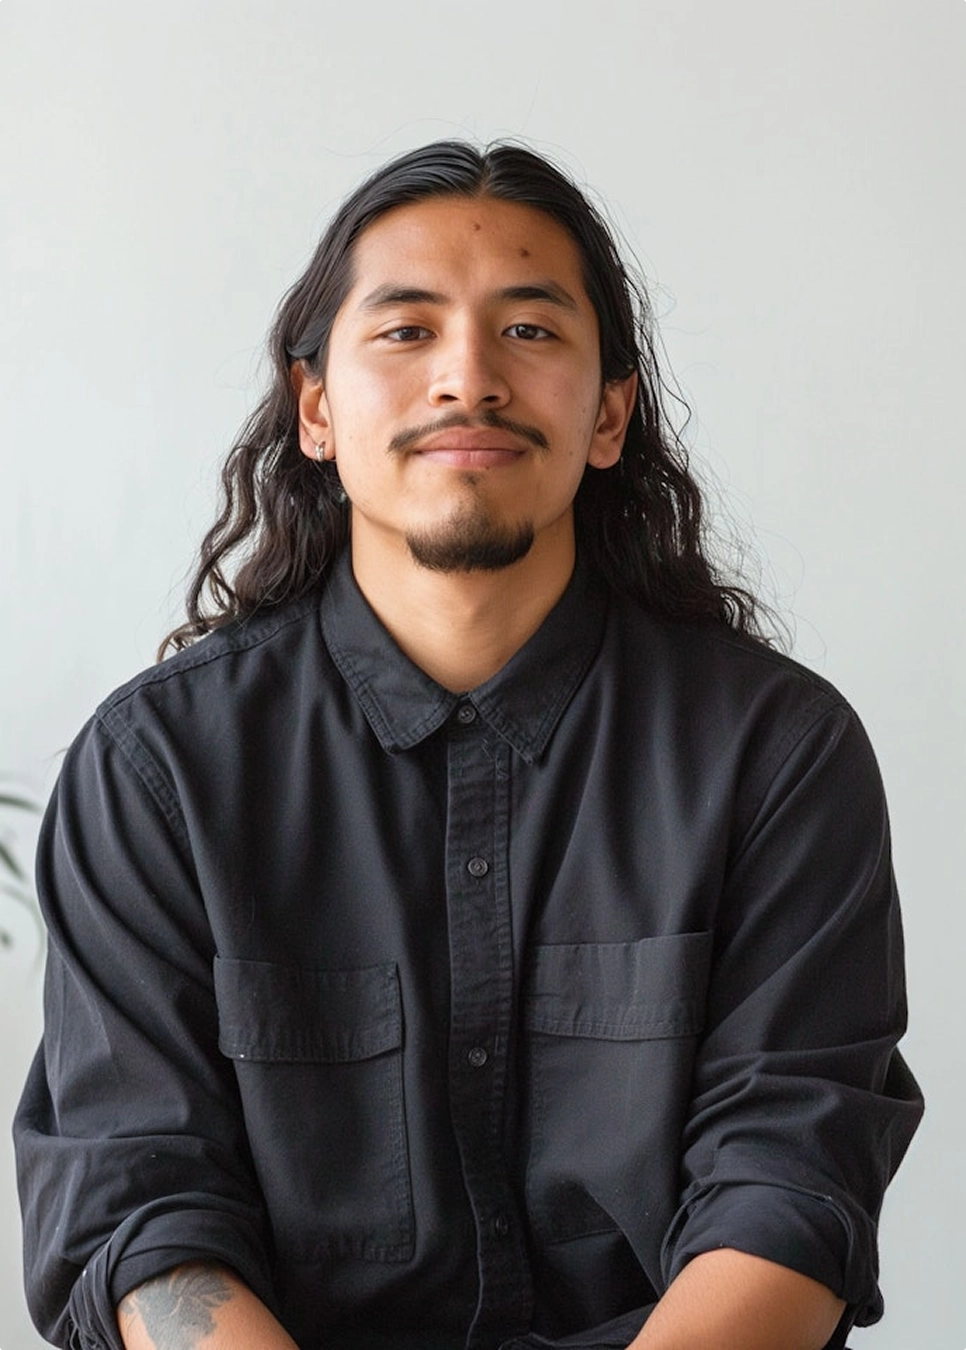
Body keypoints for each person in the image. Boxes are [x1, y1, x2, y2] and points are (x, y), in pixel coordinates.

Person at [15, 140, 922, 1350]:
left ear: (609, 413)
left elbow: (791, 1190)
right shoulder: (158, 772)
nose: (468, 378)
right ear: (318, 410)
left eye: (531, 332)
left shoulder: (777, 754)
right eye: (406, 331)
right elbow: (143, 1206)